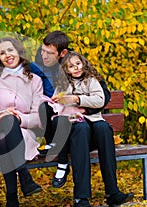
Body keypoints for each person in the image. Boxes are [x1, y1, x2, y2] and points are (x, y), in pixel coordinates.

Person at [49, 51, 134, 207]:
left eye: (78, 64)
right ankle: (81, 197)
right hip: (76, 134)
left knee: (104, 128)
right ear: (66, 70)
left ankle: (113, 192)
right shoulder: (62, 83)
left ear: (83, 63)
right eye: (71, 66)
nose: (76, 68)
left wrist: (77, 99)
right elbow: (57, 103)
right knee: (81, 128)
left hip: (94, 128)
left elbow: (100, 99)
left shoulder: (91, 80)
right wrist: (62, 100)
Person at [30, 30, 111, 188]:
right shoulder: (38, 64)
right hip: (57, 121)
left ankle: (106, 192)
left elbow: (104, 95)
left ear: (62, 53)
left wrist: (84, 109)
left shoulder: (75, 63)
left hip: (80, 121)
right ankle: (55, 147)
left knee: (91, 127)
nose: (44, 56)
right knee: (45, 106)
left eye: (50, 53)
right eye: (42, 51)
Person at [0, 37, 43, 207]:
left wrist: (20, 118)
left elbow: (38, 117)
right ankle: (24, 175)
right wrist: (1, 114)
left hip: (21, 133)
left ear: (19, 52)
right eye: (2, 52)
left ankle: (12, 198)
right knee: (6, 122)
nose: (7, 55)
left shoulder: (35, 81)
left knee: (9, 126)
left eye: (10, 50)